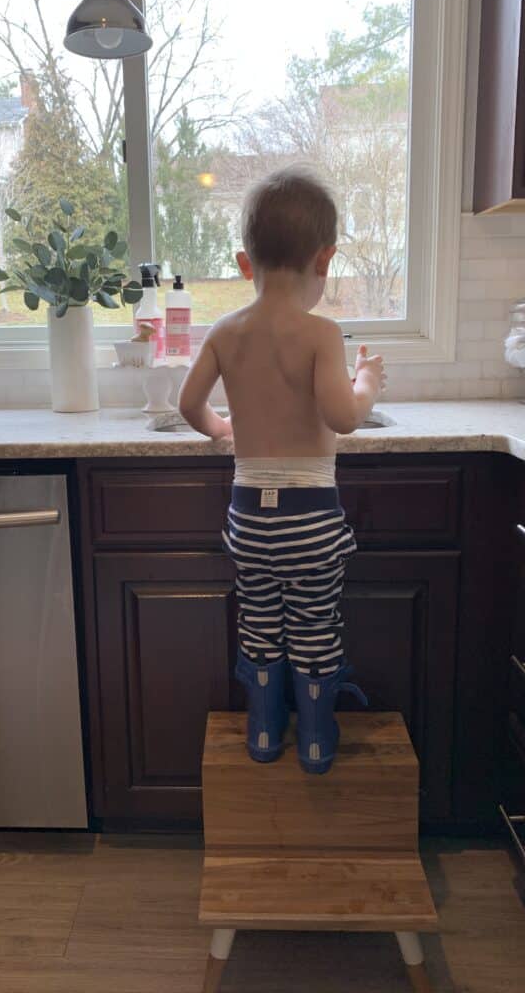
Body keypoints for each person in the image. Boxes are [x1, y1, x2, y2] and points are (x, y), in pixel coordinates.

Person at [178, 165, 386, 774]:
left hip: (248, 523)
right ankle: (317, 741)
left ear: (246, 264)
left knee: (261, 625)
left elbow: (189, 405)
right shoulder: (322, 332)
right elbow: (343, 417)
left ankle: (264, 735)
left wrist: (221, 429)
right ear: (325, 260)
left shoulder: (225, 331)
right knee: (315, 629)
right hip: (311, 523)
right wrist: (367, 383)